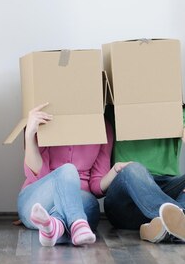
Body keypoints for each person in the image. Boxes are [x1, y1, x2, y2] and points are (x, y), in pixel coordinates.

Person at [103, 105, 185, 244]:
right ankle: (182, 220)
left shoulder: (176, 109)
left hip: (165, 189)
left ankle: (162, 226)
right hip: (126, 203)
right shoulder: (114, 108)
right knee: (133, 168)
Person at [17, 103, 119, 246]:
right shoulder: (44, 120)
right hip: (37, 200)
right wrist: (29, 135)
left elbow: (96, 185)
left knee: (90, 203)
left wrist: (115, 170)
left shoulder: (103, 127)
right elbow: (37, 176)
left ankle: (54, 227)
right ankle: (76, 223)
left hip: (79, 199)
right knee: (68, 170)